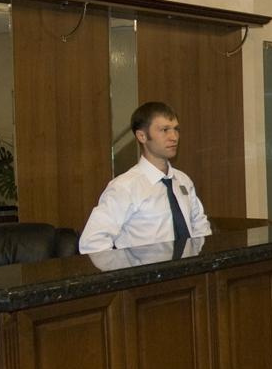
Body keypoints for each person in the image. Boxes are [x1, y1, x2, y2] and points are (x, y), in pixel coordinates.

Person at [79, 101, 211, 254]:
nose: (174, 137)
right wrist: (125, 268)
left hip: (190, 267)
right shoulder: (125, 187)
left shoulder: (183, 180)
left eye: (176, 129)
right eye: (164, 130)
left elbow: (200, 227)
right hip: (147, 268)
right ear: (142, 136)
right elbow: (92, 242)